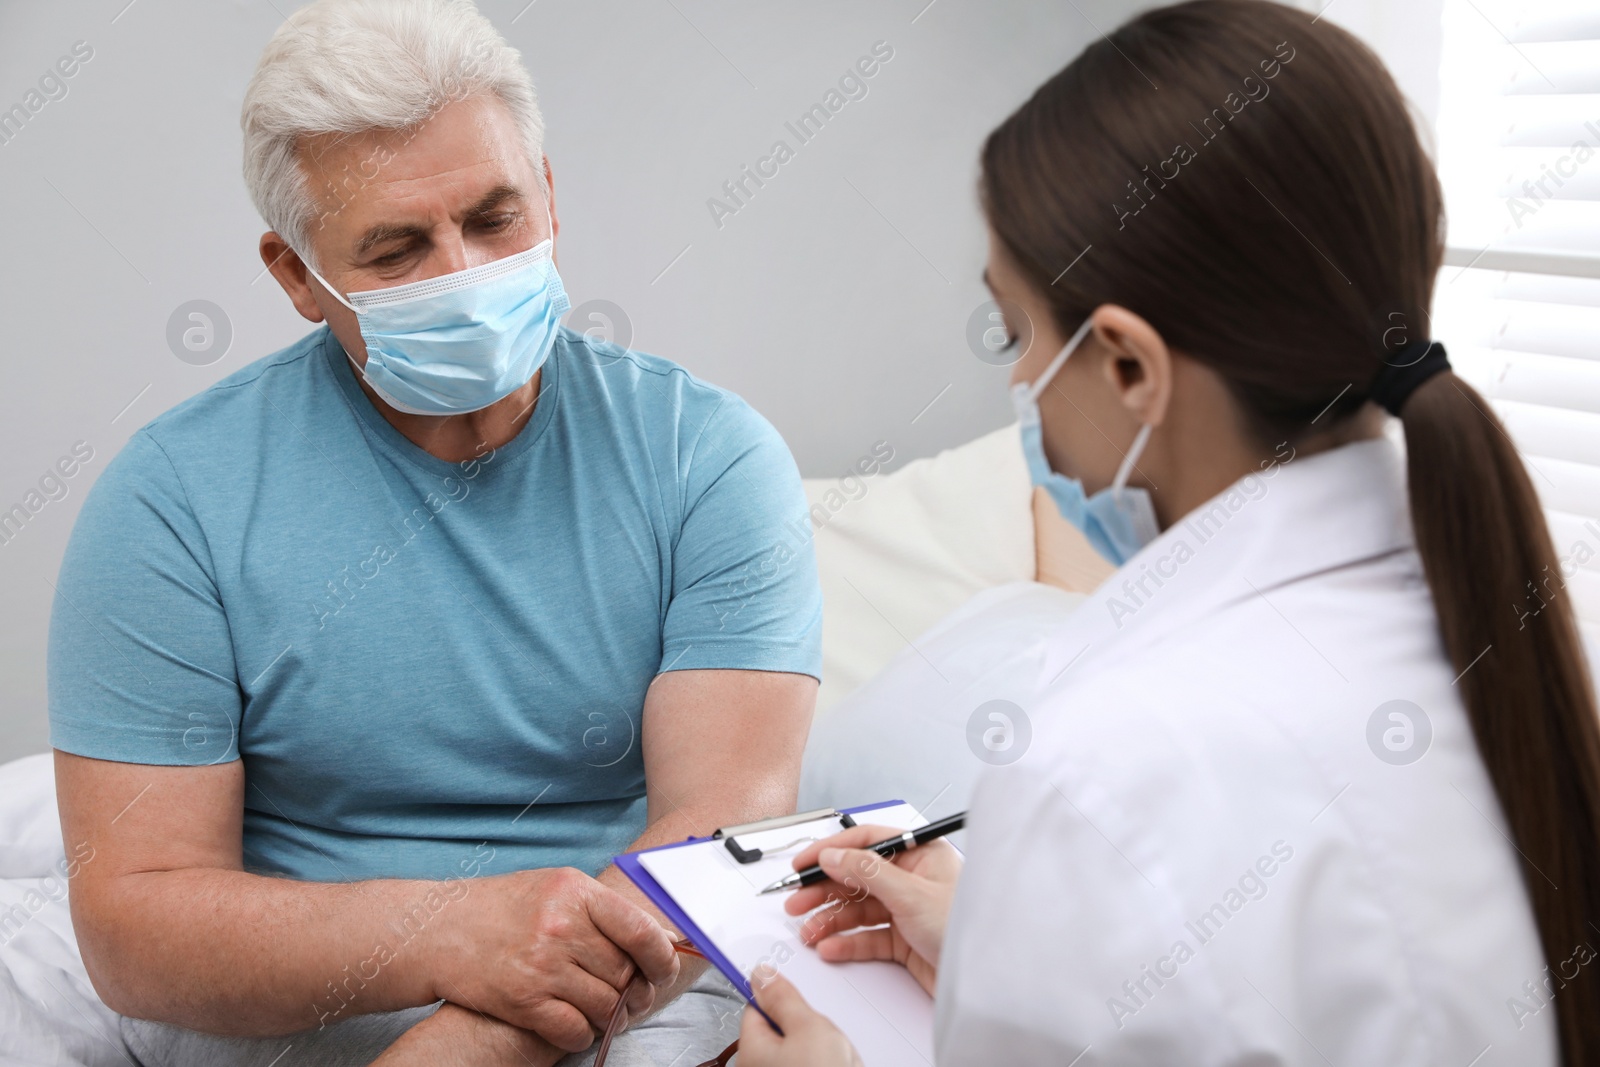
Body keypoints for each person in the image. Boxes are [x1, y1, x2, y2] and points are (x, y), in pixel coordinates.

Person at [734, 1, 1600, 1064]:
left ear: (1131, 366)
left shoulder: (1108, 761)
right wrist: (1013, 947)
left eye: (1017, 333)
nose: (1015, 381)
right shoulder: (1499, 626)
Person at [46, 2, 822, 1064]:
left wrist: (463, 1044)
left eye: (496, 218)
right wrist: (453, 934)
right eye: (398, 248)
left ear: (549, 195)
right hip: (289, 1013)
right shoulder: (171, 499)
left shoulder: (709, 457)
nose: (462, 272)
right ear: (294, 276)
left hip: (630, 1000)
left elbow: (713, 846)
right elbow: (137, 931)